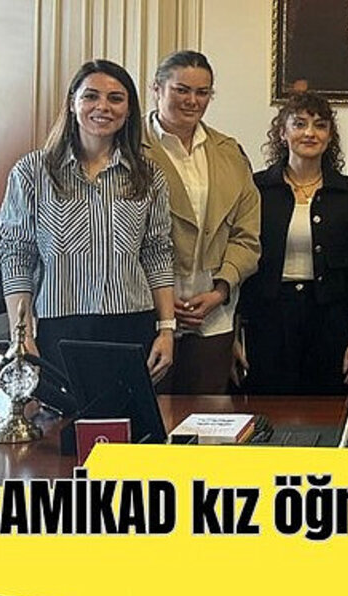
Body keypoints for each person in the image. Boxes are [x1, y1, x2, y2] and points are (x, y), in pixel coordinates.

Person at [0, 59, 175, 382]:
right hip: (59, 327)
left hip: (132, 324)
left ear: (129, 110)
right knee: (60, 416)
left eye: (115, 98)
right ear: (72, 103)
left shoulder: (149, 176)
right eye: (91, 96)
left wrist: (166, 329)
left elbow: (157, 253)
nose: (102, 107)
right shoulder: (32, 172)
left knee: (130, 415)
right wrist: (20, 334)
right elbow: (17, 256)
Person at [142, 50, 261, 394]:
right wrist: (164, 304)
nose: (192, 101)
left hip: (213, 317)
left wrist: (220, 291)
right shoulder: (130, 147)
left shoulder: (229, 151)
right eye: (181, 90)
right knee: (151, 416)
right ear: (157, 88)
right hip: (147, 312)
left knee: (205, 416)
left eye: (202, 92)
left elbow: (247, 234)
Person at [238, 92, 348, 395]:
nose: (310, 133)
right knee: (268, 404)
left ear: (330, 136)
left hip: (329, 321)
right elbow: (242, 258)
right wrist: (235, 333)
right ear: (282, 133)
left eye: (320, 125)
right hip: (268, 320)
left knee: (325, 407)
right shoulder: (257, 187)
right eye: (299, 124)